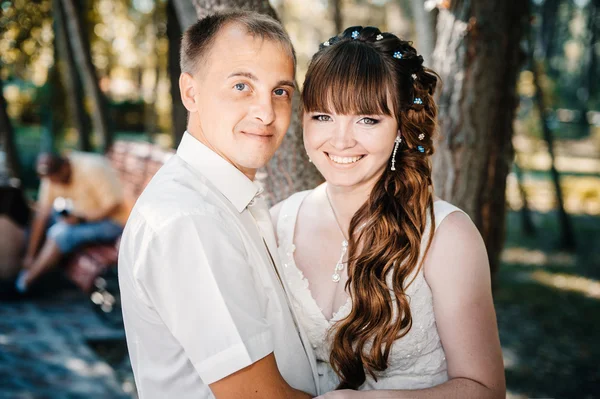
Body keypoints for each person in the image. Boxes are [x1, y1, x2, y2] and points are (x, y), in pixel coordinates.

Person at [271, 26, 506, 398]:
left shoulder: (447, 236)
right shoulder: (278, 222)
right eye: (323, 116)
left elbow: (484, 389)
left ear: (400, 127)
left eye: (367, 120)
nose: (341, 139)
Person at [117, 10, 318, 399]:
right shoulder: (191, 220)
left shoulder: (227, 197)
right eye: (242, 86)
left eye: (280, 91)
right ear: (190, 92)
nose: (265, 112)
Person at [17, 151, 127, 292]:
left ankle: (24, 284)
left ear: (64, 167)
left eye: (55, 178)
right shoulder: (51, 175)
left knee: (60, 233)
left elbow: (114, 205)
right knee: (48, 221)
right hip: (82, 218)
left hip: (114, 222)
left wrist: (81, 219)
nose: (53, 183)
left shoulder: (92, 168)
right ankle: (37, 270)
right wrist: (29, 255)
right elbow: (42, 214)